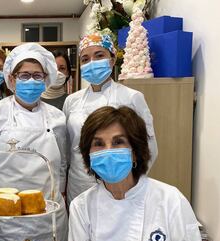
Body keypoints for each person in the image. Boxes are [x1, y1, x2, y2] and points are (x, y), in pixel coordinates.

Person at [68, 106, 207, 241]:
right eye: (98, 144)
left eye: (118, 142)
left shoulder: (171, 200)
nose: (108, 151)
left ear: (134, 152)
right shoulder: (81, 207)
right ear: (88, 155)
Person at [0, 43, 69, 241]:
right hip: (3, 220)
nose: (31, 81)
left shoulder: (57, 118)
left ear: (46, 80)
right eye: (24, 75)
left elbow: (62, 165)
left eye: (37, 76)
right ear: (12, 80)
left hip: (47, 218)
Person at [63, 33, 158, 205]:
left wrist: (133, 184)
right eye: (85, 59)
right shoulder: (72, 101)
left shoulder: (131, 97)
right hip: (79, 184)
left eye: (99, 56)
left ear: (112, 60)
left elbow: (148, 146)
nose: (92, 62)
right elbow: (67, 148)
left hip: (121, 184)